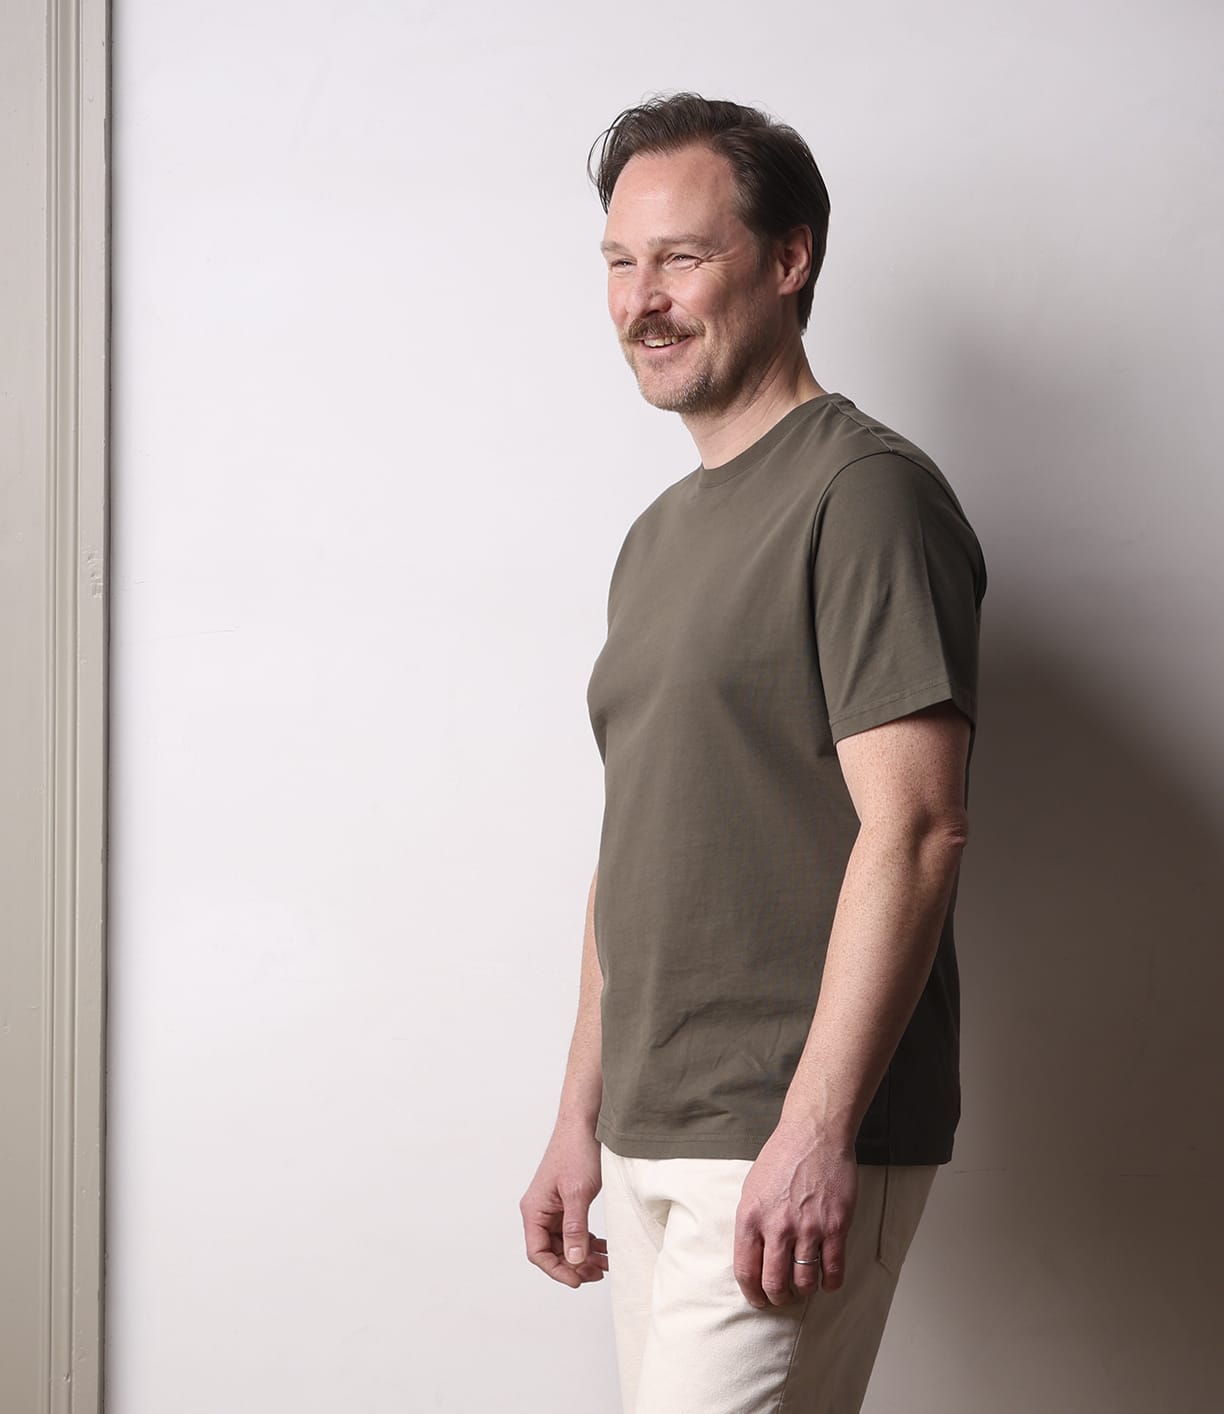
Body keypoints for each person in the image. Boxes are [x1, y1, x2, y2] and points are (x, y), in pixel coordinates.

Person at [519, 92, 987, 1414]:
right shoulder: (656, 538)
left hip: (781, 1130)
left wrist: (819, 1127)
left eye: (682, 256)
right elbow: (638, 846)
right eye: (621, 262)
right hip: (652, 1129)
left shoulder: (866, 494)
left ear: (789, 260)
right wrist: (578, 1117)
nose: (642, 300)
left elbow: (917, 828)